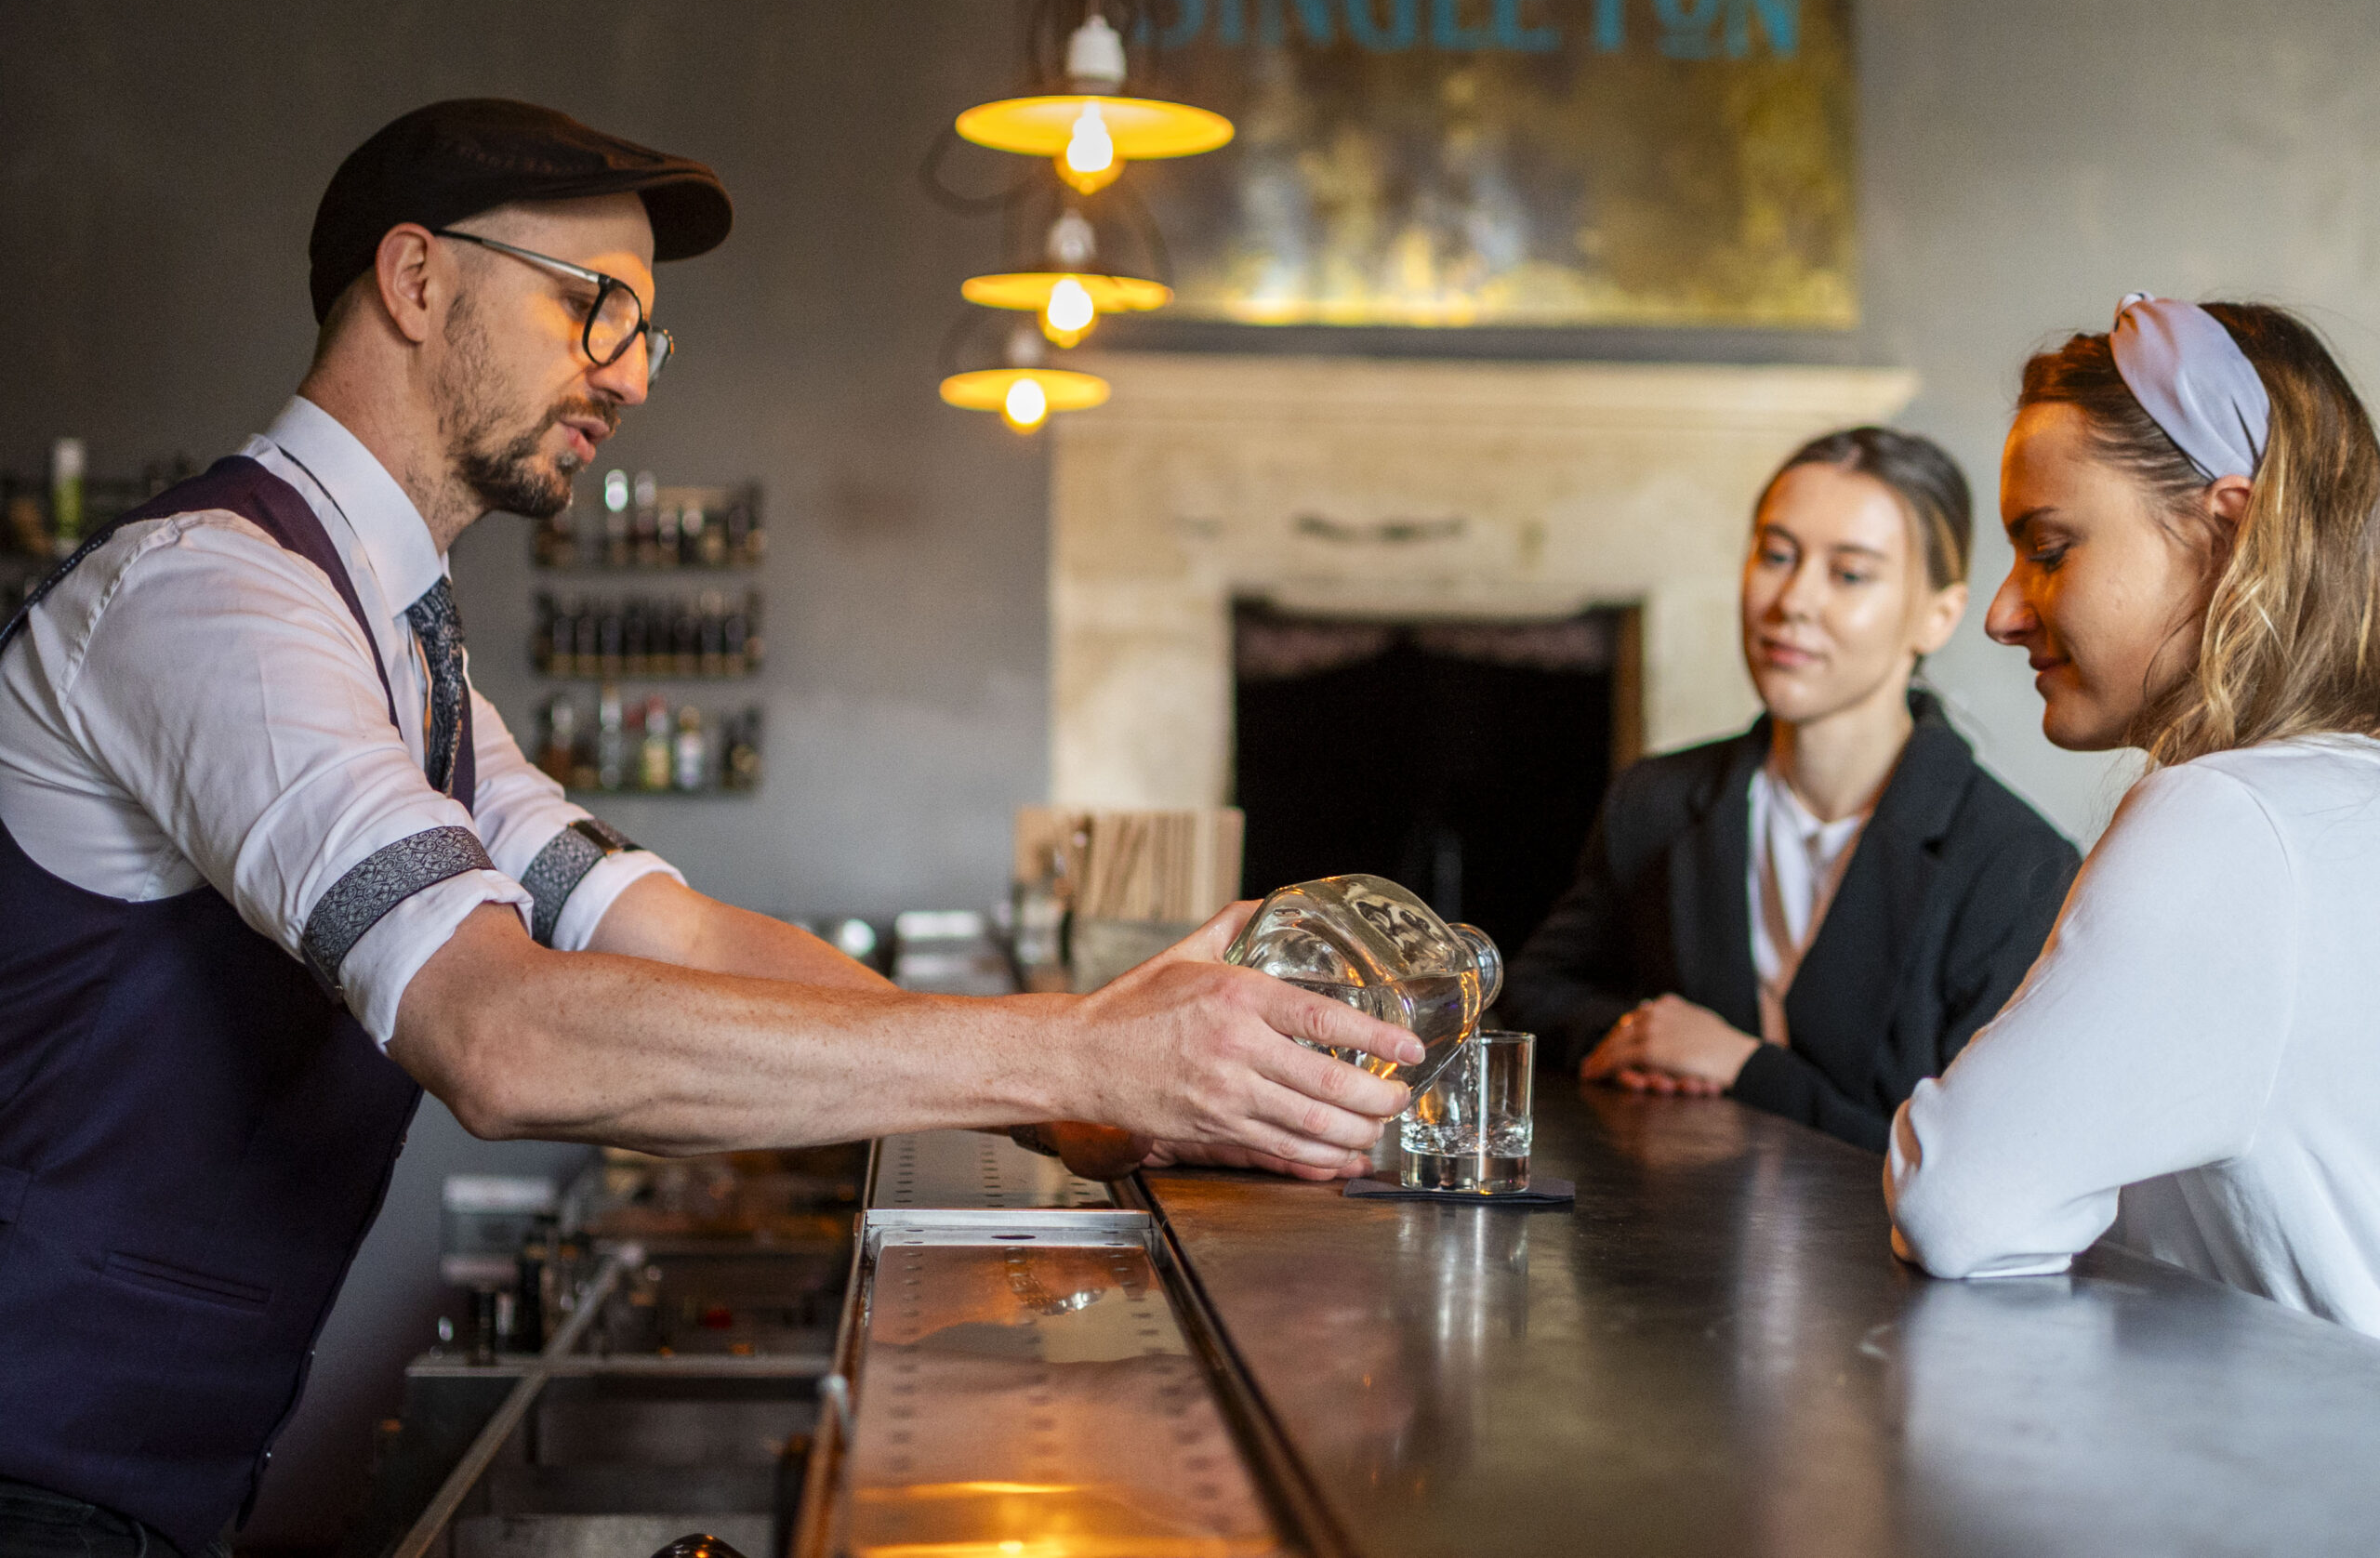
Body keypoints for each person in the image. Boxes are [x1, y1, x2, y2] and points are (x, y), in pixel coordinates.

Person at [0, 99, 1420, 1556]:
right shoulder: (214, 598)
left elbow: (670, 930)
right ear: (416, 280)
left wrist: (1066, 1093)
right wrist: (1070, 1044)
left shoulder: (400, 651)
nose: (627, 373)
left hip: (150, 1471)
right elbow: (501, 1032)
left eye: (644, 332)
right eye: (591, 306)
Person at [1886, 297, 2380, 1338]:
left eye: (2051, 547)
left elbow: (1959, 1204)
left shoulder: (2230, 819)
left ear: (2224, 530)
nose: (2003, 611)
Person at [1504, 427, 2079, 1152]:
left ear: (1938, 614)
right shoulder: (1655, 800)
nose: (1793, 601)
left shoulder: (2018, 866)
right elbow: (1536, 994)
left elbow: (1975, 1161)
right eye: (1777, 556)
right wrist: (1628, 1034)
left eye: (1849, 574)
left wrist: (1745, 1067)